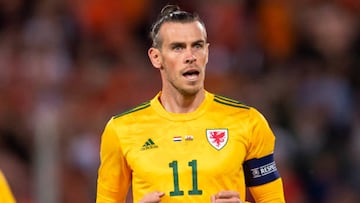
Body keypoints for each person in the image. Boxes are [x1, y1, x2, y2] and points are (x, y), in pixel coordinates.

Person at [96, 4, 286, 203]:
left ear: (207, 53)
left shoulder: (248, 122)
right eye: (177, 47)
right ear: (156, 57)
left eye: (197, 46)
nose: (190, 57)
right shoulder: (121, 130)